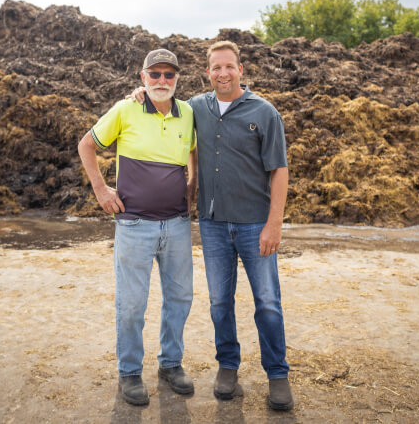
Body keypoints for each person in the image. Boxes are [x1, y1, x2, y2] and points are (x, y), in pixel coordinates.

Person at [130, 40, 292, 410]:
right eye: (215, 67)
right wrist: (140, 93)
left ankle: (277, 375)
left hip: (255, 224)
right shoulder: (196, 108)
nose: (222, 73)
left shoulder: (264, 112)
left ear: (240, 69)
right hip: (214, 224)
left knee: (267, 302)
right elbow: (165, 109)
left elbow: (279, 170)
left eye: (229, 67)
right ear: (208, 72)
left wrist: (275, 223)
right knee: (220, 302)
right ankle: (228, 368)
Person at [77, 49, 197, 406]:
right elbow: (87, 144)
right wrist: (100, 188)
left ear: (177, 79)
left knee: (179, 299)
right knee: (131, 304)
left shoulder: (188, 112)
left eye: (169, 75)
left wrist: (192, 183)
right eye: (155, 74)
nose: (162, 81)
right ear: (143, 77)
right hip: (134, 225)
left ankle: (170, 365)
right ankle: (129, 372)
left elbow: (194, 151)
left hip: (176, 224)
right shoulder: (125, 109)